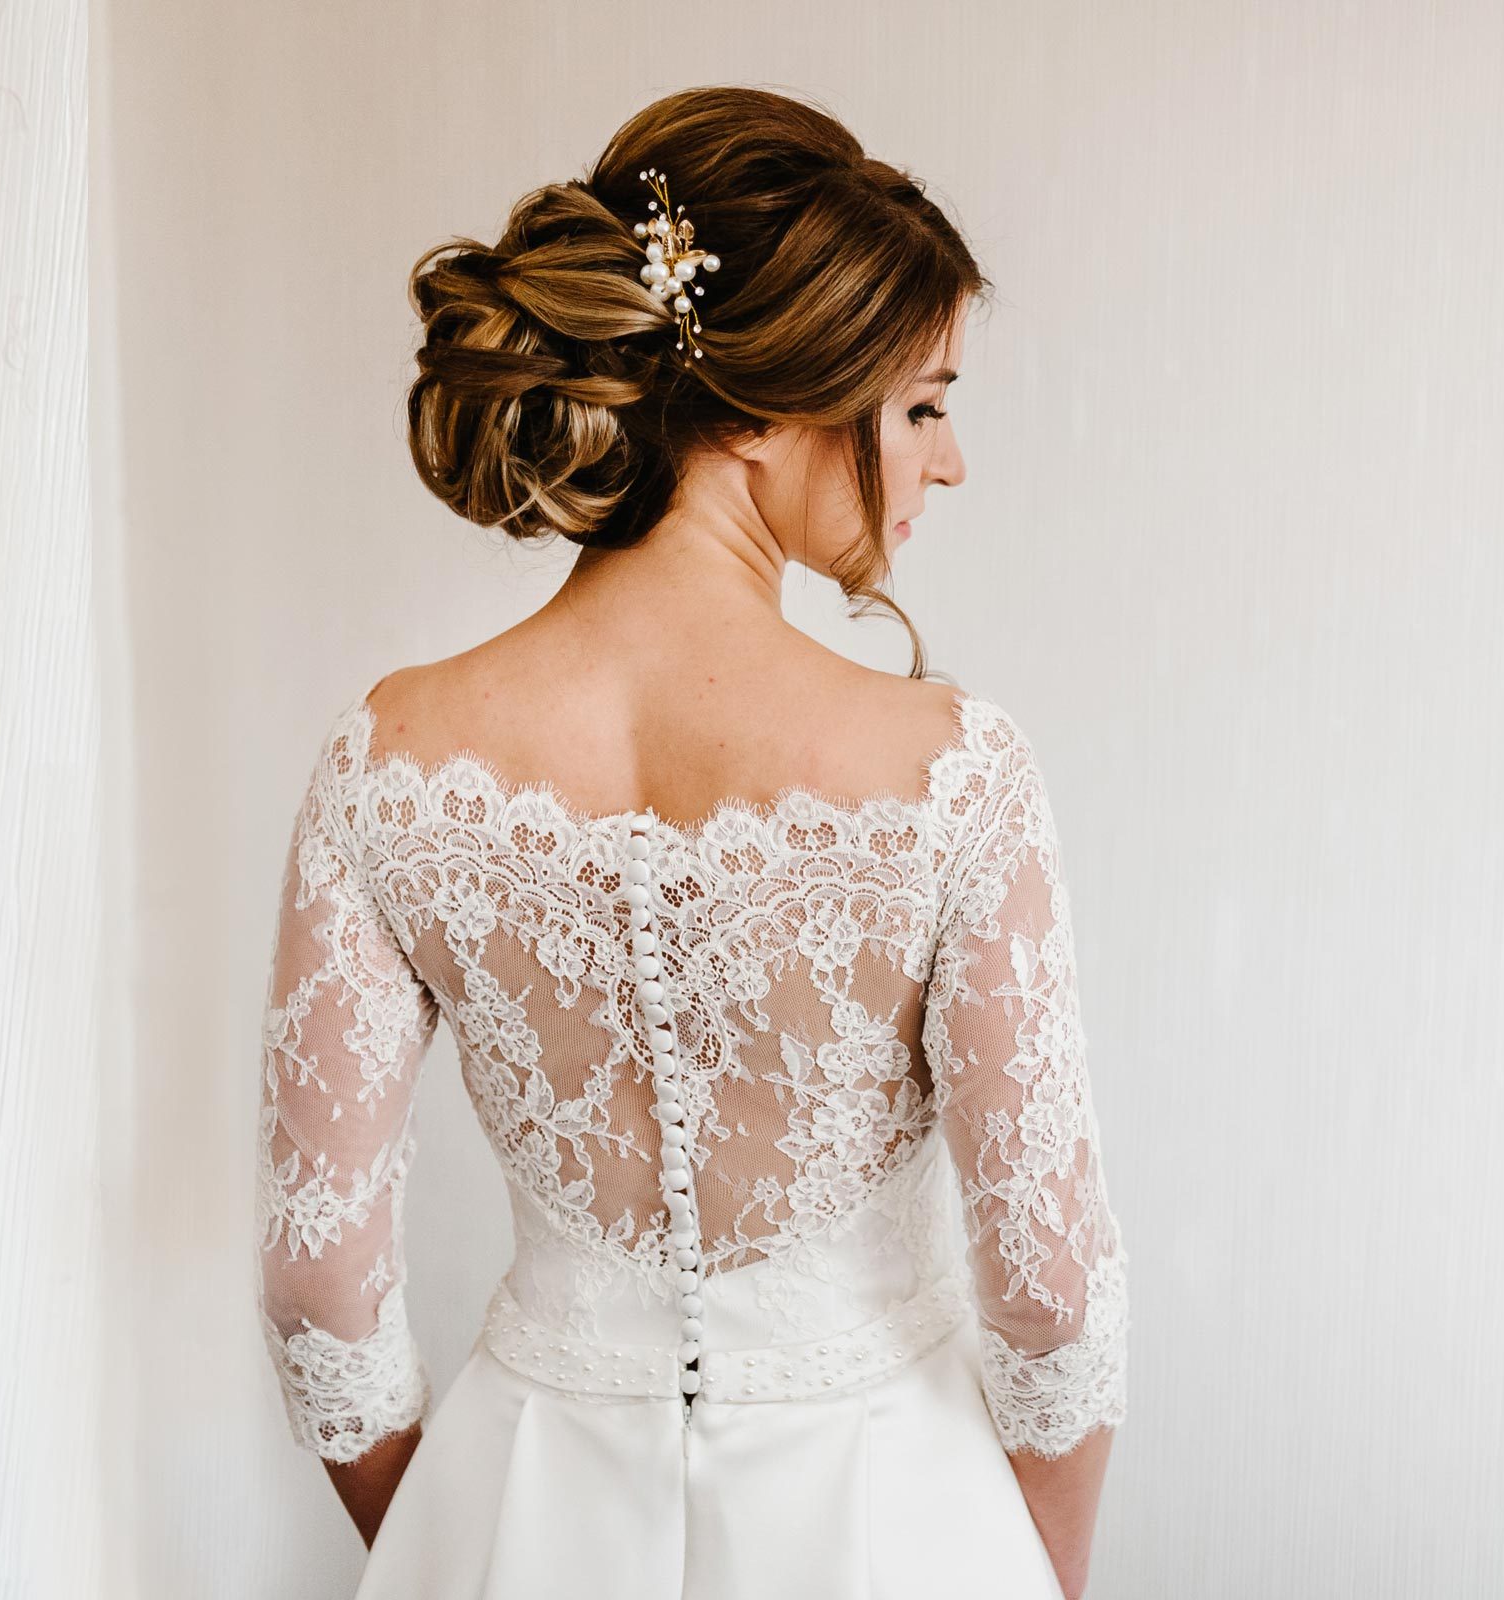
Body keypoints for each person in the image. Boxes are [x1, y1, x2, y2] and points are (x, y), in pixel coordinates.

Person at [253, 84, 1128, 1600]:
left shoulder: (386, 762)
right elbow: (1050, 1295)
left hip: (521, 1517)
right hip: (890, 1524)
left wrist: (446, 1542)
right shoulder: (949, 776)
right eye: (923, 402)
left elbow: (319, 1282)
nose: (948, 461)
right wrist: (1034, 1570)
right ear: (762, 408)